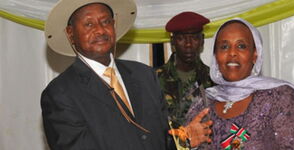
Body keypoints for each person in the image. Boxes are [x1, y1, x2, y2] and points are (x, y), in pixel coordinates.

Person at [41, 0, 211, 149]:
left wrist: (184, 139)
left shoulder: (144, 75)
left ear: (114, 26)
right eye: (89, 24)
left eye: (106, 21)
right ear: (70, 34)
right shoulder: (60, 94)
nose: (100, 30)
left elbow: (161, 139)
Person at [186, 18, 294, 149]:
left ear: (255, 55)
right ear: (216, 57)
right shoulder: (202, 103)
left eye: (241, 46)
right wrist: (187, 144)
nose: (232, 53)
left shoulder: (279, 97)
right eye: (224, 46)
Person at [156, 12, 214, 129]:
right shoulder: (154, 80)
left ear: (202, 40)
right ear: (172, 41)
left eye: (194, 38)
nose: (188, 44)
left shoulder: (213, 79)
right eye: (181, 38)